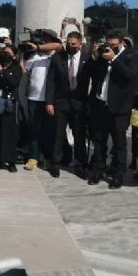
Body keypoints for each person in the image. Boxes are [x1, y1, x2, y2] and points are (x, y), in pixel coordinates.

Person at [87, 29, 138, 189]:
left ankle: (118, 174)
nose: (111, 47)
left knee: (119, 143)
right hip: (100, 104)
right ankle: (98, 170)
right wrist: (96, 56)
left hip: (119, 108)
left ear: (122, 42)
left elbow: (131, 76)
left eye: (114, 45)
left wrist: (114, 59)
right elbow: (93, 73)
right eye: (108, 44)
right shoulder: (104, 55)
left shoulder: (131, 56)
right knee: (99, 141)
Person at [45, 31, 93, 178]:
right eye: (68, 43)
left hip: (79, 103)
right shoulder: (58, 58)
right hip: (61, 102)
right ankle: (56, 164)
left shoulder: (87, 59)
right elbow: (51, 80)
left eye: (73, 44)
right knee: (58, 134)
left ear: (80, 44)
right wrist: (49, 102)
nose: (70, 46)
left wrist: (90, 102)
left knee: (79, 135)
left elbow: (95, 80)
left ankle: (80, 164)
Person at [20, 30, 63, 171]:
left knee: (50, 130)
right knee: (34, 130)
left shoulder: (57, 54)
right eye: (41, 40)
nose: (43, 42)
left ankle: (48, 158)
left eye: (46, 39)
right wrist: (22, 53)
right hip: (34, 98)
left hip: (51, 100)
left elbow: (57, 45)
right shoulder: (35, 56)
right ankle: (33, 157)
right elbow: (24, 71)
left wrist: (38, 47)